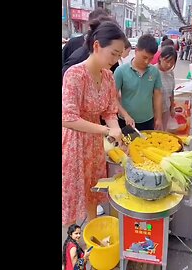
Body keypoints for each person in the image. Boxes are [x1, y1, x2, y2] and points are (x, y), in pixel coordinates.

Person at [62, 20, 126, 226]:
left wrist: (115, 130)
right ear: (97, 46)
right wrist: (106, 129)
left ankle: (92, 226)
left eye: (119, 55)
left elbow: (110, 111)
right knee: (73, 191)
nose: (116, 60)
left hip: (95, 144)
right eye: (113, 54)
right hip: (75, 143)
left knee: (92, 187)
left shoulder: (108, 76)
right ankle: (74, 237)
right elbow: (67, 118)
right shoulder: (75, 75)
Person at [114, 34, 163, 131]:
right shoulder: (121, 71)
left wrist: (159, 118)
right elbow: (112, 98)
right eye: (144, 57)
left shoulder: (154, 72)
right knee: (126, 146)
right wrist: (125, 115)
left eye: (150, 58)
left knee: (147, 146)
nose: (147, 61)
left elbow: (158, 96)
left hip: (148, 121)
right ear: (136, 51)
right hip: (126, 121)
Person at [154, 46, 177, 130]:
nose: (169, 65)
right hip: (153, 111)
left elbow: (171, 92)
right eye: (167, 61)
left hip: (165, 109)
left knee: (163, 133)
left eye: (172, 63)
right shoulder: (153, 71)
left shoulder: (171, 73)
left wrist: (172, 107)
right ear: (160, 58)